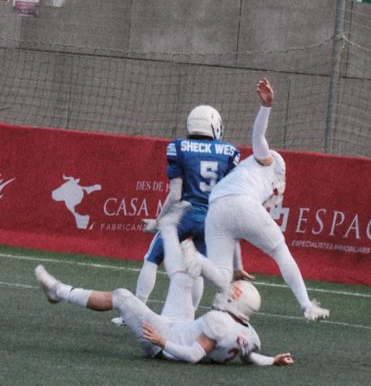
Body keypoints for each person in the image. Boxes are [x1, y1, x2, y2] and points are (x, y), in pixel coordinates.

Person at [34, 202, 293, 368]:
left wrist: (161, 342)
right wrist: (272, 360)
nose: (224, 294)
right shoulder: (249, 334)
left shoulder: (219, 322)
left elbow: (193, 355)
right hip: (181, 326)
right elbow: (249, 356)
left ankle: (58, 291)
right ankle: (169, 230)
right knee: (182, 278)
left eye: (230, 294)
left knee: (123, 297)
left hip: (166, 341)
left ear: (236, 300)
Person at [184, 79, 329, 323]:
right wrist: (267, 107)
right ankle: (307, 305)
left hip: (217, 209)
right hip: (238, 204)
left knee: (221, 276)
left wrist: (238, 265)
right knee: (280, 250)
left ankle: (194, 257)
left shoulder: (244, 173)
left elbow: (235, 227)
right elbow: (258, 137)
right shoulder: (268, 162)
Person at [136, 104, 241, 310]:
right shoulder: (230, 152)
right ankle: (190, 316)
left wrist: (158, 221)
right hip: (212, 220)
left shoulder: (179, 147)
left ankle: (138, 309)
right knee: (198, 267)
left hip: (183, 215)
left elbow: (175, 194)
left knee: (152, 259)